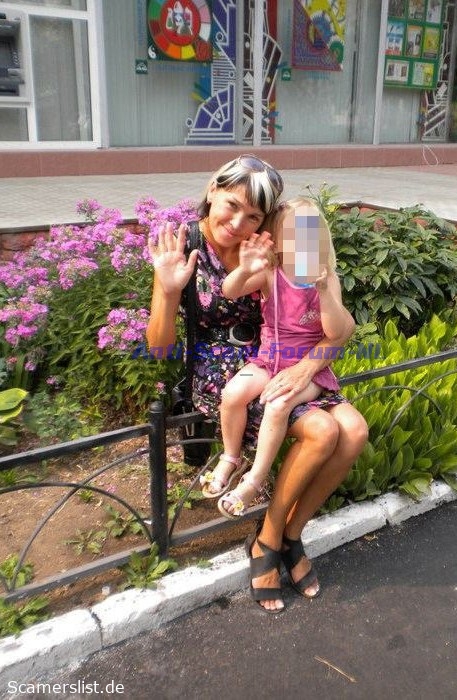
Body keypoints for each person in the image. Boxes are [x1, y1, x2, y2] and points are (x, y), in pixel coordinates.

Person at [146, 154, 368, 613]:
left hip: (291, 364)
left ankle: (288, 534)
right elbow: (160, 348)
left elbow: (336, 330)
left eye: (253, 215)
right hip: (222, 371)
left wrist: (306, 369)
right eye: (232, 206)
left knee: (355, 431)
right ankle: (268, 539)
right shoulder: (185, 246)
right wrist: (167, 289)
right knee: (324, 430)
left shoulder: (278, 248)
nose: (239, 223)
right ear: (213, 190)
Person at [212, 197, 348, 522]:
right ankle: (230, 457)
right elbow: (229, 291)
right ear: (278, 239)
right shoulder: (272, 273)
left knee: (278, 404)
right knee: (232, 394)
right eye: (293, 234)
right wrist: (245, 269)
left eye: (309, 234)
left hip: (309, 371)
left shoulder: (328, 278)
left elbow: (335, 331)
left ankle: (253, 480)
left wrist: (324, 290)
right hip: (268, 361)